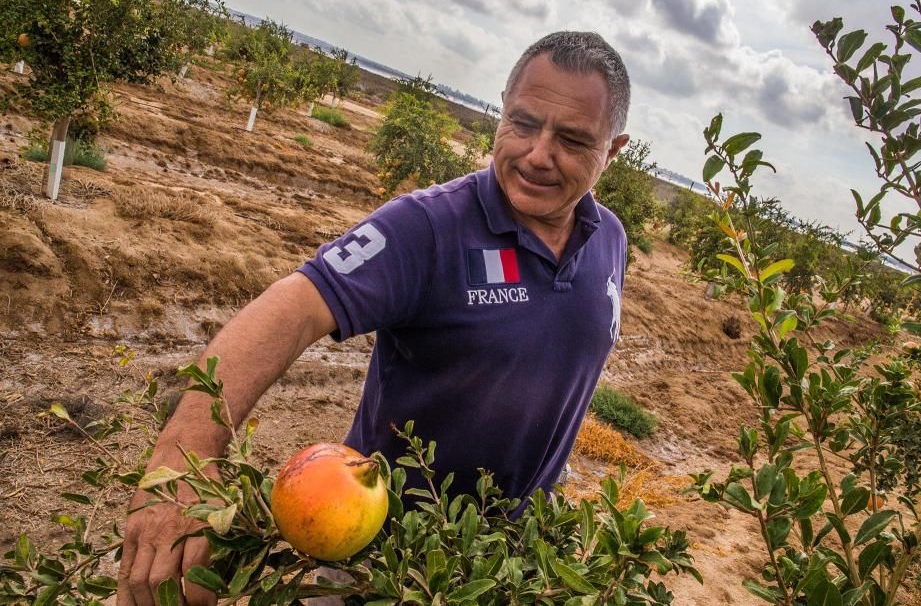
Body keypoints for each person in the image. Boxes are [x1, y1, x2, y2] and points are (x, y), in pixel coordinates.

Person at [117, 30, 631, 606]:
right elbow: (295, 306)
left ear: (612, 151)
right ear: (500, 113)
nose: (538, 154)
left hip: (504, 564)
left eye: (571, 139)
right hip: (376, 557)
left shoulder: (610, 239)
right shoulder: (428, 227)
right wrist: (184, 459)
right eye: (523, 123)